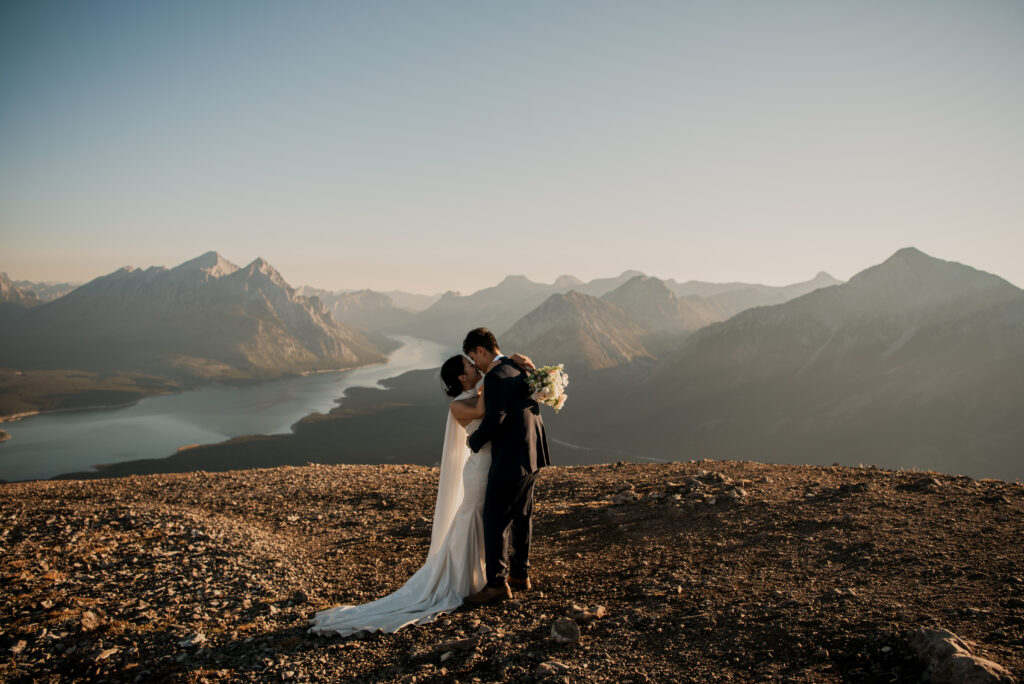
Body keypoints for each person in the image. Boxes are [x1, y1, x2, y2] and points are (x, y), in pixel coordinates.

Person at [308, 350, 535, 636]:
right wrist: (497, 371)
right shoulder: (459, 405)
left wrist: (512, 367)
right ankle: (467, 579)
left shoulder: (482, 386)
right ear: (461, 377)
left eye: (474, 362)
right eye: (470, 365)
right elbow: (481, 411)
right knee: (476, 516)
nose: (476, 366)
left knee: (488, 518)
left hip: (496, 463)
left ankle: (491, 575)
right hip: (479, 470)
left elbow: (499, 396)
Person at [463, 327, 550, 606]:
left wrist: (473, 442)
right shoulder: (519, 366)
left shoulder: (497, 376)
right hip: (532, 452)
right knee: (522, 514)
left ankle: (497, 584)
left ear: (481, 350)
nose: (476, 365)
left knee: (495, 519)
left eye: (474, 358)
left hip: (511, 456)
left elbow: (496, 418)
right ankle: (520, 574)